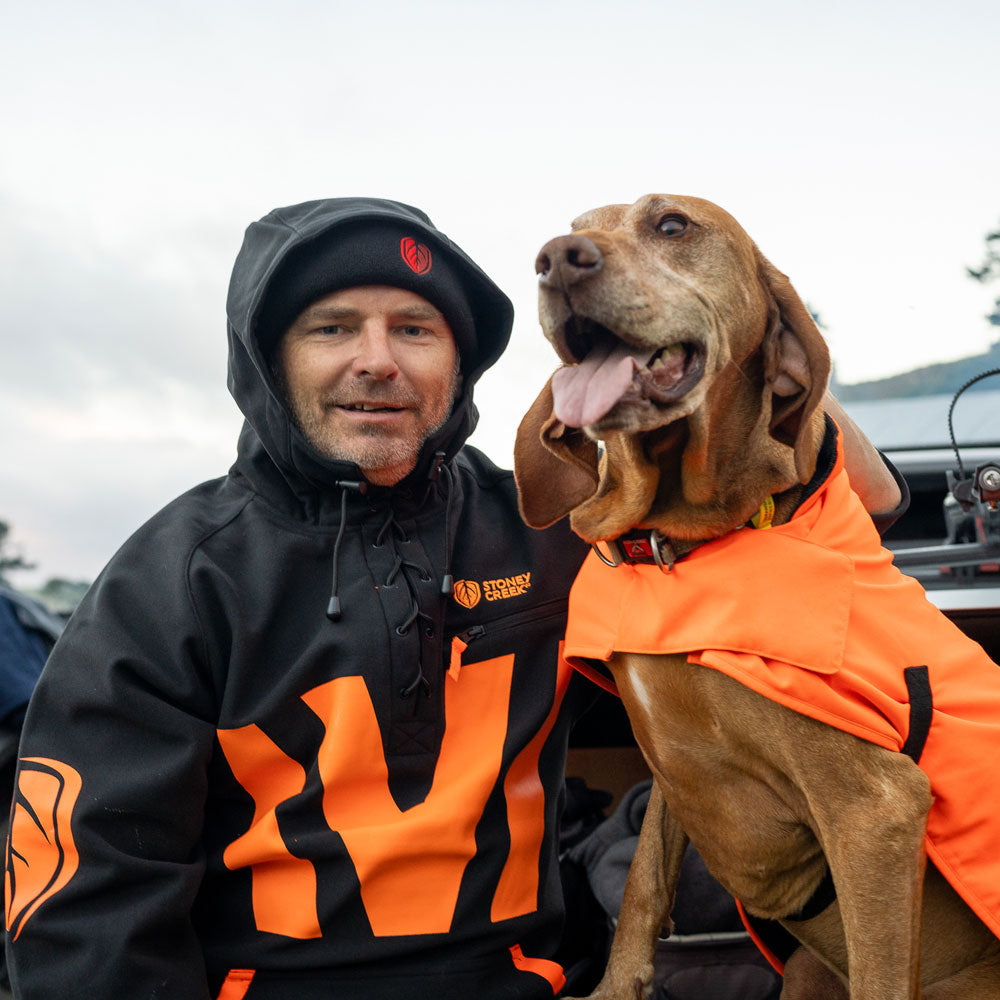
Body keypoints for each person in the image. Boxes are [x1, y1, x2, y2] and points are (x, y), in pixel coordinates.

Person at [4, 197, 905, 1000]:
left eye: (416, 331)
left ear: (460, 365)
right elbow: (86, 907)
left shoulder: (557, 526)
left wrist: (744, 335)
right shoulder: (172, 578)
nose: (378, 362)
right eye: (331, 328)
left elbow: (868, 502)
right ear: (266, 359)